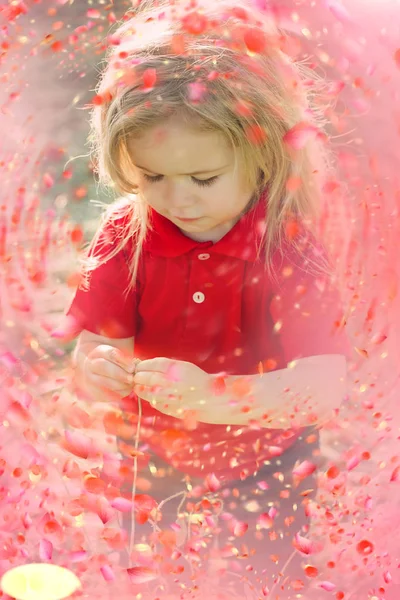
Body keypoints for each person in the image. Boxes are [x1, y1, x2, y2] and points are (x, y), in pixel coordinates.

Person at [63, 0, 350, 597]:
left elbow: (323, 384)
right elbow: (99, 344)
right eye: (152, 176)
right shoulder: (127, 233)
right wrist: (100, 370)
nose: (178, 200)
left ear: (266, 152)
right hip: (153, 452)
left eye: (203, 179)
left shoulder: (287, 246)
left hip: (265, 459)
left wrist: (217, 397)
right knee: (148, 576)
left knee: (262, 578)